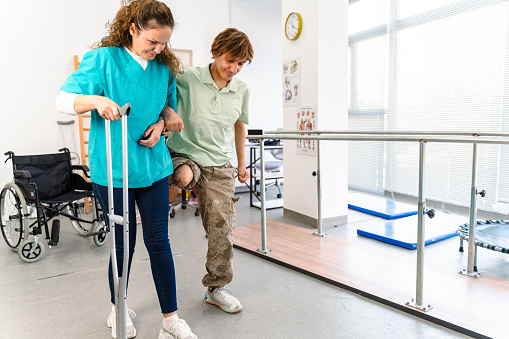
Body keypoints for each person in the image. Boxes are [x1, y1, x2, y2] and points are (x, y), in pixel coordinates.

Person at [55, 1, 197, 338]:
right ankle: (118, 308)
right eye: (152, 42)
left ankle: (171, 321)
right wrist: (97, 101)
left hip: (154, 167)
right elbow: (62, 99)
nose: (158, 49)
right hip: (114, 170)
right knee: (123, 242)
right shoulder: (104, 60)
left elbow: (167, 106)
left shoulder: (162, 67)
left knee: (159, 241)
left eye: (163, 43)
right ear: (133, 29)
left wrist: (163, 124)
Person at [163, 28, 254, 314]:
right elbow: (160, 92)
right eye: (230, 61)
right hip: (185, 155)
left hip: (219, 163)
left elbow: (240, 125)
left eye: (240, 64)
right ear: (214, 52)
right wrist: (167, 112)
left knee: (222, 231)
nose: (234, 69)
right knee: (184, 177)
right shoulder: (187, 77)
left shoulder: (241, 89)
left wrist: (241, 163)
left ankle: (216, 288)